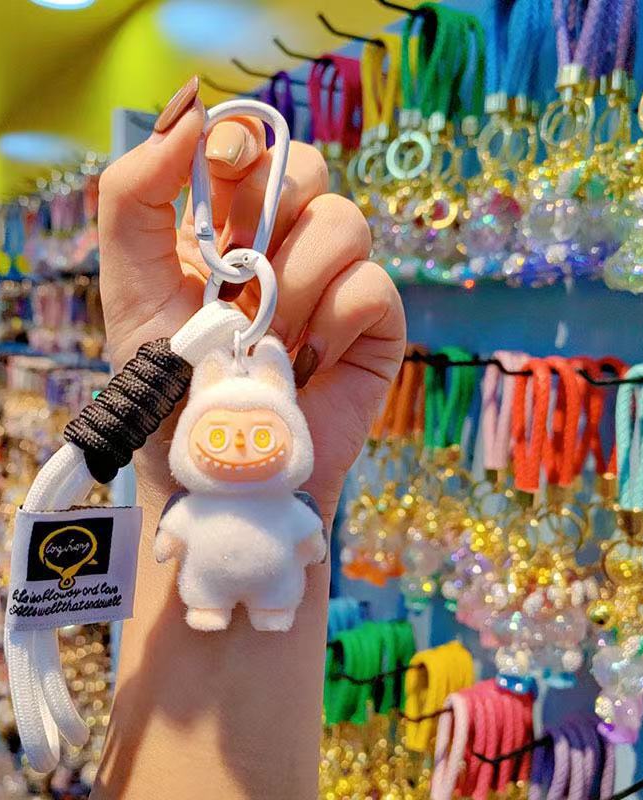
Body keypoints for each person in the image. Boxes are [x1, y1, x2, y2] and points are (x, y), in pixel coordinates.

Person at [91, 76, 405, 800]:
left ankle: (257, 607)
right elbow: (178, 532)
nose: (237, 448)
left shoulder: (279, 487)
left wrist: (312, 507)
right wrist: (163, 482)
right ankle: (218, 606)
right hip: (204, 589)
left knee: (270, 594)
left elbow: (301, 533)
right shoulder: (191, 481)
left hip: (270, 607)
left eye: (257, 437)